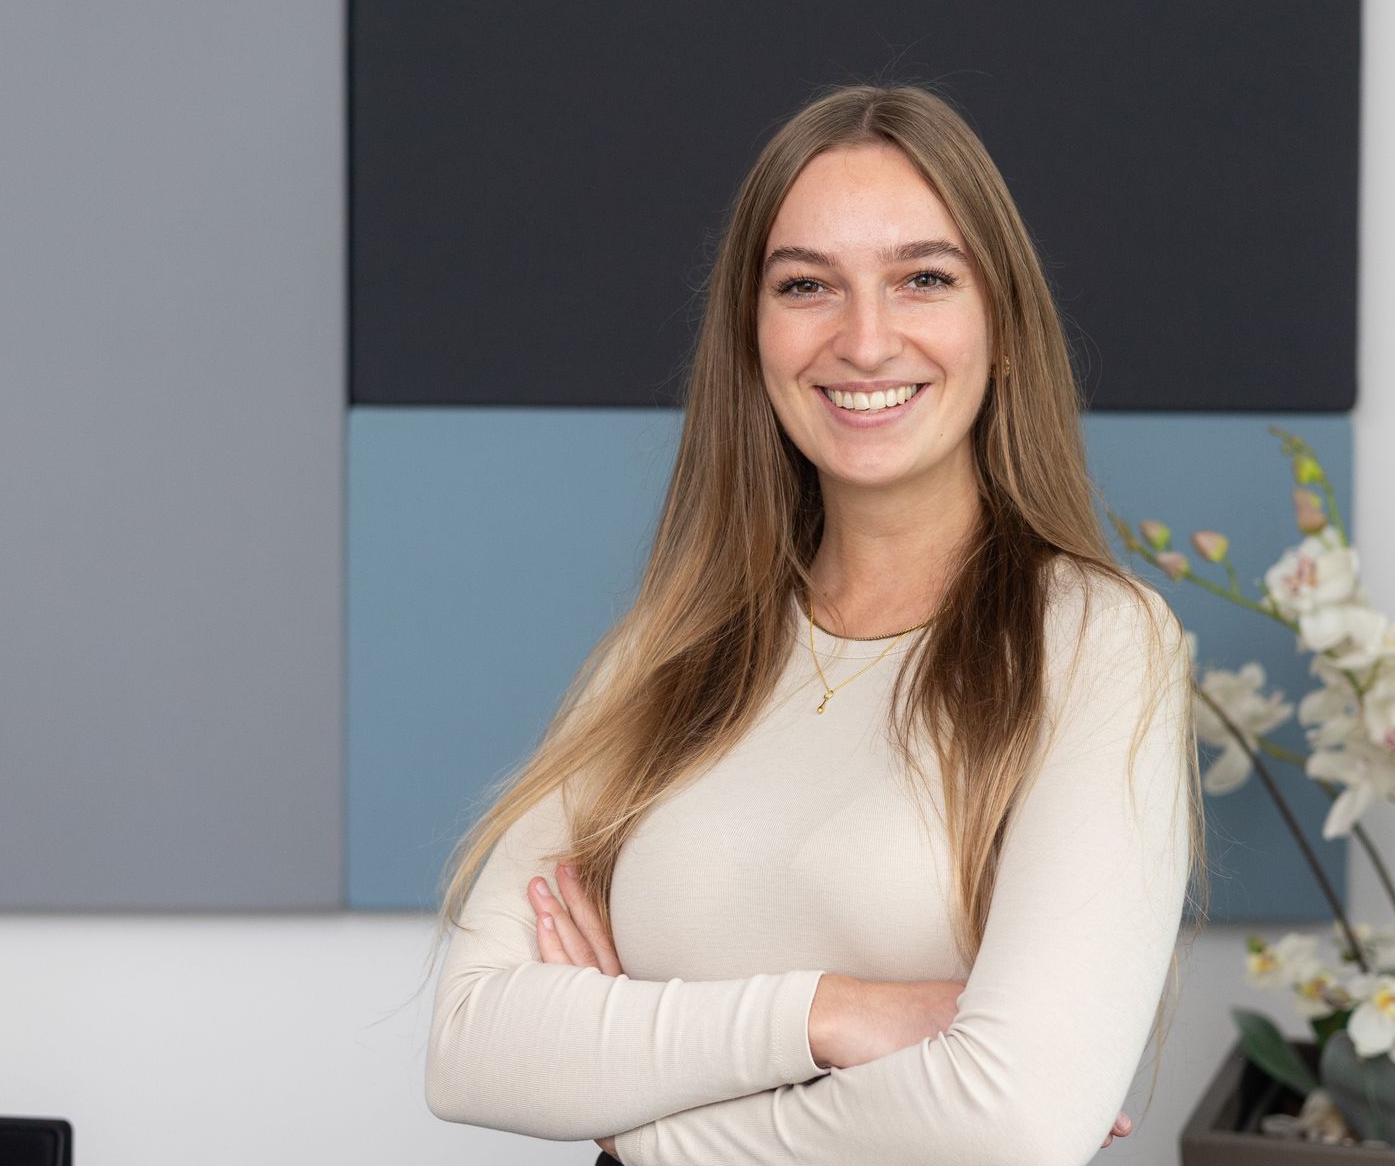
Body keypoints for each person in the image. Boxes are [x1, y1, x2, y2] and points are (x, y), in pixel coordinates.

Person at [418, 82, 1207, 1165]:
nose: (866, 339)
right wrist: (833, 1012)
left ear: (1004, 324)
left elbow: (1013, 1122)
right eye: (807, 286)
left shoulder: (1097, 642)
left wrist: (643, 1119)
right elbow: (472, 1046)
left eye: (923, 277)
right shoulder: (666, 651)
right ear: (753, 334)